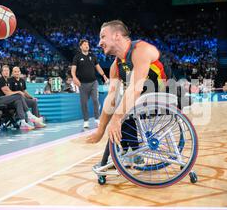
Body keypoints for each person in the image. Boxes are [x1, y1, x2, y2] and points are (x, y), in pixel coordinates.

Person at [86, 20, 167, 148]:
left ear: (117, 35)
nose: (99, 43)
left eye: (103, 37)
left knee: (122, 114)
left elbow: (135, 89)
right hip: (145, 100)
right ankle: (125, 153)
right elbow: (110, 100)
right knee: (120, 109)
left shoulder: (141, 50)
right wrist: (100, 130)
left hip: (167, 94)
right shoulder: (115, 67)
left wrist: (116, 119)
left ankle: (130, 152)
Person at [0, 65, 44, 130]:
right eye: (4, 71)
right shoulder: (1, 80)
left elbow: (13, 92)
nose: (6, 72)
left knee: (20, 101)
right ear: (2, 72)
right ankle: (30, 115)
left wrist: (30, 97)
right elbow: (8, 93)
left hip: (5, 99)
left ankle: (23, 123)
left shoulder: (6, 80)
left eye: (7, 70)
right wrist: (18, 92)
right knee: (19, 95)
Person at [71, 39, 109, 129]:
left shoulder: (93, 56)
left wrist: (104, 75)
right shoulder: (77, 57)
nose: (86, 46)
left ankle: (97, 119)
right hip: (82, 84)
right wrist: (74, 77)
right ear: (81, 47)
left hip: (93, 83)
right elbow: (73, 70)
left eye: (87, 44)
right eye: (84, 44)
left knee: (95, 100)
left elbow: (98, 67)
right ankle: (86, 121)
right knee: (83, 103)